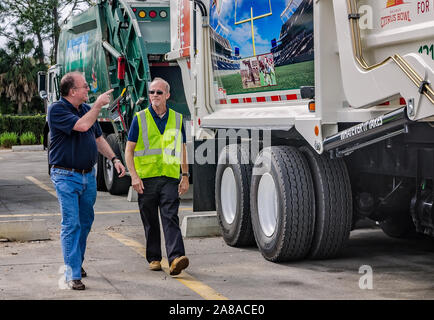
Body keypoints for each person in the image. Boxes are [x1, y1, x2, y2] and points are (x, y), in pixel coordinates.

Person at [48, 71, 126, 290]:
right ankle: (73, 273)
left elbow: (98, 138)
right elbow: (82, 126)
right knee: (71, 224)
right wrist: (98, 105)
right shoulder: (57, 110)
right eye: (84, 87)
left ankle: (76, 262)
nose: (88, 90)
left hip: (87, 176)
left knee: (85, 222)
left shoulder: (84, 109)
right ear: (73, 91)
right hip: (65, 176)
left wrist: (114, 159)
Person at [125, 77, 190, 276]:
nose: (154, 96)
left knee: (170, 216)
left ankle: (176, 258)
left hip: (169, 177)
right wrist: (134, 177)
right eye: (151, 92)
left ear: (167, 95)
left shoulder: (177, 119)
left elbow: (182, 149)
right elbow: (129, 151)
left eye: (158, 92)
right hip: (146, 179)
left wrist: (185, 175)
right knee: (150, 220)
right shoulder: (140, 117)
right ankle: (154, 258)